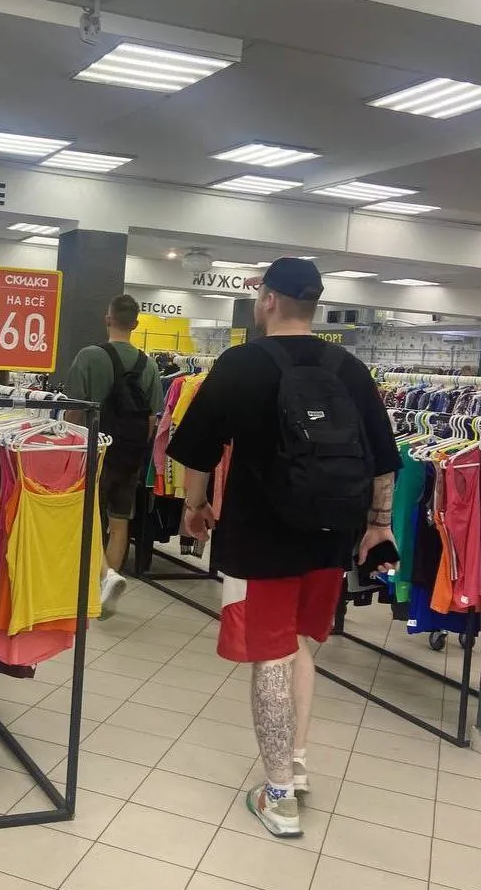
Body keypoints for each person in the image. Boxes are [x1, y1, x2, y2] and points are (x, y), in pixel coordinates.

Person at [168, 258, 399, 838]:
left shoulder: (241, 364)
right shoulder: (349, 368)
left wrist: (195, 506)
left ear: (269, 299)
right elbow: (383, 460)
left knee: (269, 654)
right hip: (332, 533)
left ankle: (277, 796)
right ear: (314, 303)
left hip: (262, 534)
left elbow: (196, 449)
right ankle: (295, 767)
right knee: (300, 647)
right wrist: (378, 525)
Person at [65, 294, 163, 611]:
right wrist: (137, 448)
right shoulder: (149, 365)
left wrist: (69, 446)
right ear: (136, 324)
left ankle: (102, 578)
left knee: (90, 520)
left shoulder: (89, 356)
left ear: (108, 319)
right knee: (120, 522)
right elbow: (153, 418)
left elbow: (74, 410)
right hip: (130, 455)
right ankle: (106, 587)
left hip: (94, 451)